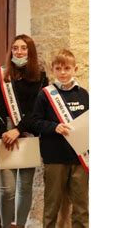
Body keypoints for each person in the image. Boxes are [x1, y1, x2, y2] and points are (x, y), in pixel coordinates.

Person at [0, 34, 48, 228]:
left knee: (25, 187)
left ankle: (20, 225)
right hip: (6, 133)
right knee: (7, 189)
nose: (19, 52)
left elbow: (39, 110)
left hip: (28, 134)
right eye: (15, 48)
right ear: (10, 51)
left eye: (23, 48)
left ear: (30, 52)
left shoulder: (40, 76)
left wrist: (19, 129)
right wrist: (4, 130)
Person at [32, 49, 89, 228]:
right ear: (53, 70)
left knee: (81, 207)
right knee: (52, 206)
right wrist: (54, 127)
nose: (63, 72)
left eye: (67, 68)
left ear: (75, 68)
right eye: (58, 68)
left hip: (79, 158)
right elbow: (35, 122)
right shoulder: (45, 94)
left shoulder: (84, 94)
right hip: (54, 157)